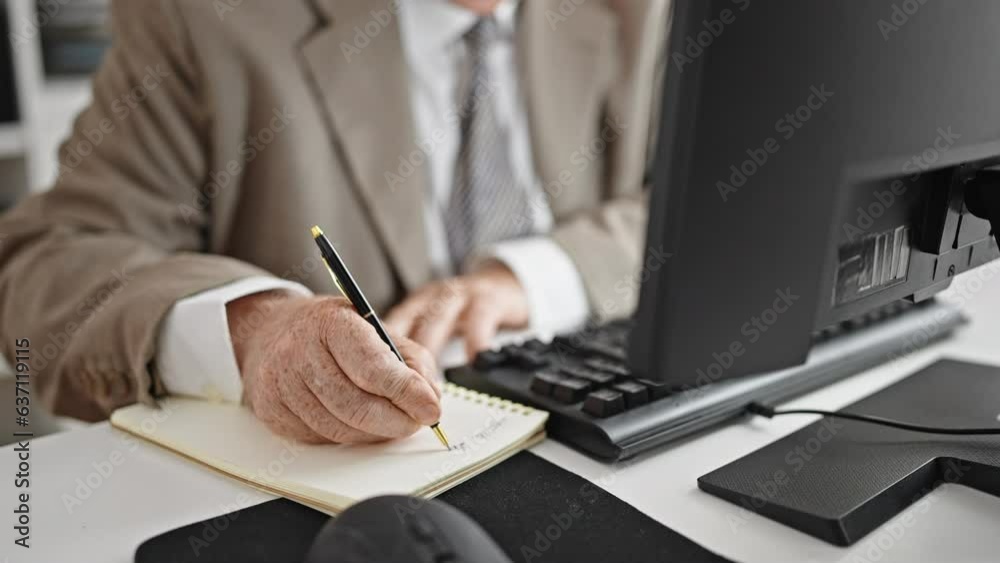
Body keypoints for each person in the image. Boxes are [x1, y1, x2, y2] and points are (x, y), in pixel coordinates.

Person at [0, 0, 668, 444]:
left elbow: (696, 201)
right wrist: (251, 327)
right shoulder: (205, 17)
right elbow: (46, 266)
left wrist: (529, 274)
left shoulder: (644, 13)